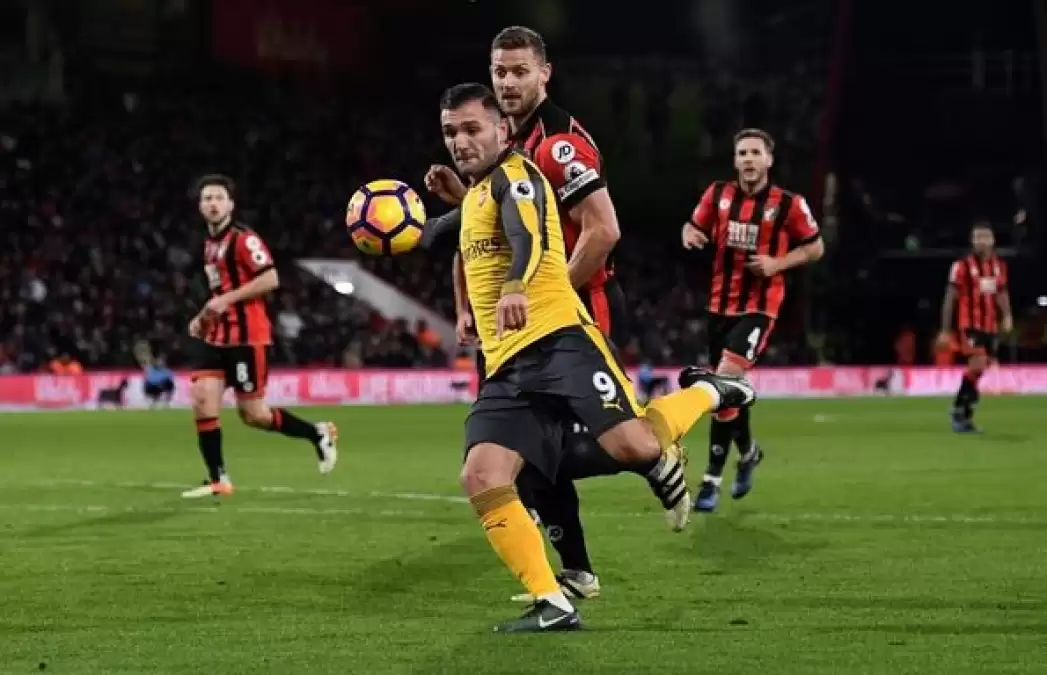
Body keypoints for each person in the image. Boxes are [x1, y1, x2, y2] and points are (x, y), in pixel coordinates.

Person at [424, 26, 726, 603]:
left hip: (567, 311)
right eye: (499, 71)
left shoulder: (559, 143)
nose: (507, 82)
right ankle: (577, 572)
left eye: (519, 71)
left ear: (545, 74)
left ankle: (662, 447)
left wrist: (545, 292)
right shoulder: (502, 141)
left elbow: (603, 229)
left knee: (570, 446)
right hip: (516, 320)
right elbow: (496, 224)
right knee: (525, 450)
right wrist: (462, 208)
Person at [681, 128, 824, 512]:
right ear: (735, 160)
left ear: (768, 160)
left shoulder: (789, 204)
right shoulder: (717, 195)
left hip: (759, 307)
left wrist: (778, 263)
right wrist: (690, 234)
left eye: (755, 152)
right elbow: (693, 225)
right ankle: (748, 453)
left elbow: (815, 247)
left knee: (723, 380)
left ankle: (711, 480)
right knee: (731, 393)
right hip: (718, 307)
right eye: (742, 152)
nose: (748, 159)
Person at [181, 174, 338, 499]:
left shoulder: (244, 239)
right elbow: (219, 293)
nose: (213, 203)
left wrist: (225, 301)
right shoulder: (209, 245)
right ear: (199, 206)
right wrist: (203, 316)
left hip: (247, 338)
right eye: (207, 198)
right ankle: (219, 479)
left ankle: (316, 433)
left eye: (219, 198)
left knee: (253, 415)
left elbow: (270, 278)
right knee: (202, 398)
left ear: (231, 204)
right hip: (217, 336)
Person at [937, 222, 1012, 432]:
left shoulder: (999, 266)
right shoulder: (961, 266)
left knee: (979, 369)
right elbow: (950, 297)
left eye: (985, 237)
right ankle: (959, 409)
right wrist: (945, 329)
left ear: (992, 240)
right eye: (977, 237)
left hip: (990, 326)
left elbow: (1002, 292)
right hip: (969, 325)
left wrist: (1007, 315)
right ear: (972, 241)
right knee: (978, 363)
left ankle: (964, 412)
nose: (981, 241)